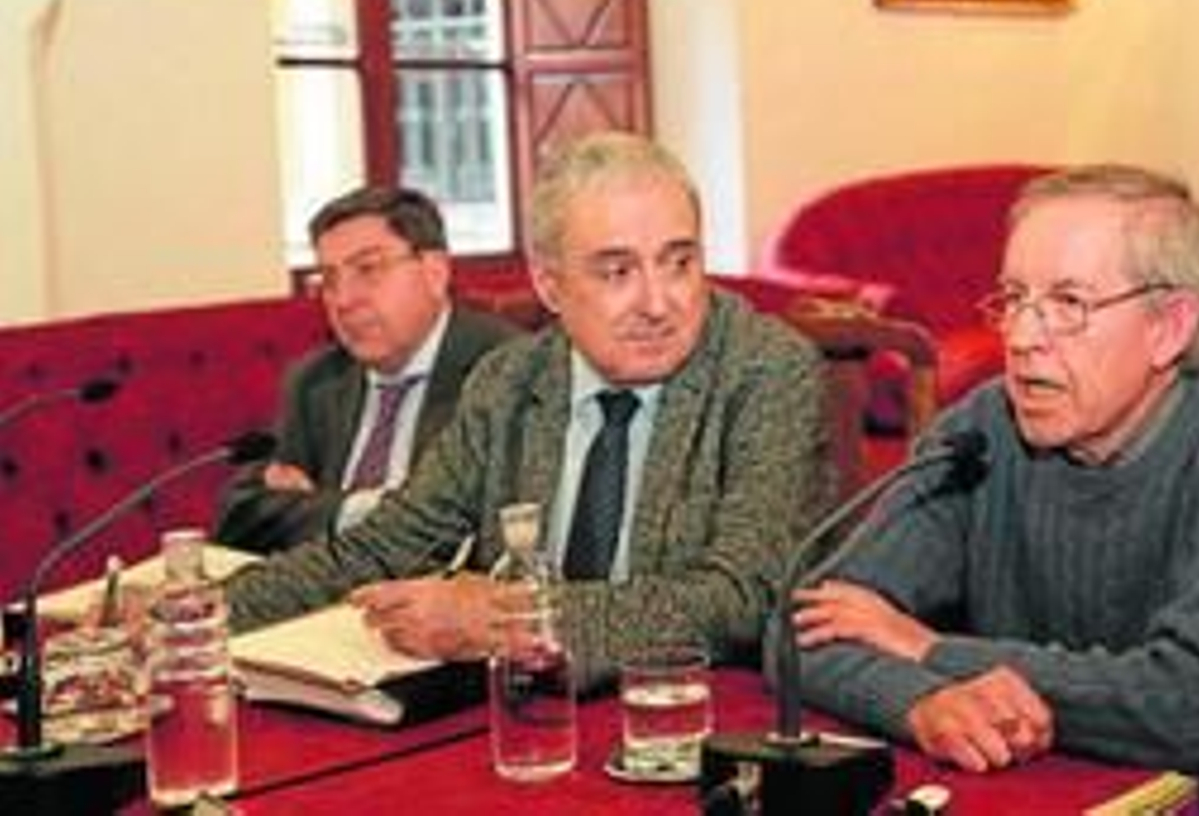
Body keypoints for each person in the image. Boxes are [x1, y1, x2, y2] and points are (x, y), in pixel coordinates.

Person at [784, 166, 1199, 814]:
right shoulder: (982, 426)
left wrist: (927, 649)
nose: (1021, 338)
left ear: (1169, 327)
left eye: (1068, 304)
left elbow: (1195, 706)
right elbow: (805, 628)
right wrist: (916, 701)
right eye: (1014, 299)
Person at [224, 131, 831, 692]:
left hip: (687, 710)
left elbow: (742, 598)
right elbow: (383, 545)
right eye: (617, 271)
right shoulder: (510, 379)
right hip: (522, 717)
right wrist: (203, 612)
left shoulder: (766, 371)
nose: (658, 302)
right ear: (550, 285)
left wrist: (512, 616)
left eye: (679, 262)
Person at [215, 185, 519, 553]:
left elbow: (475, 526)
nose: (344, 300)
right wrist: (354, 509)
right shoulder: (315, 380)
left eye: (368, 269)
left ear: (435, 273)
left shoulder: (505, 369)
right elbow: (241, 516)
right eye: (329, 279)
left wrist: (311, 508)